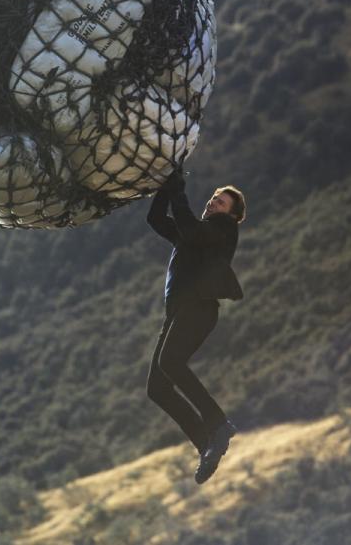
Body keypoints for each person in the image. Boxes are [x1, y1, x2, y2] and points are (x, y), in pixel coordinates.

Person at [146, 166, 245, 484]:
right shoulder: (197, 235)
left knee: (169, 363)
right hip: (178, 313)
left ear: (231, 216)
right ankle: (207, 445)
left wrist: (178, 190)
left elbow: (190, 228)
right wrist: (165, 186)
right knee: (158, 388)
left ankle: (218, 423)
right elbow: (157, 220)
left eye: (221, 203)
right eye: (214, 198)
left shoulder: (222, 231)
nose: (214, 203)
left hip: (199, 309)